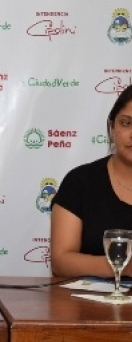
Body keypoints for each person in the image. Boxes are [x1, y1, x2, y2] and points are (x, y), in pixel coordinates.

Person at [51, 84, 132, 278]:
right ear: (112, 127)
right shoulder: (80, 181)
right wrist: (123, 266)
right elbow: (60, 261)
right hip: (89, 296)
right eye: (126, 123)